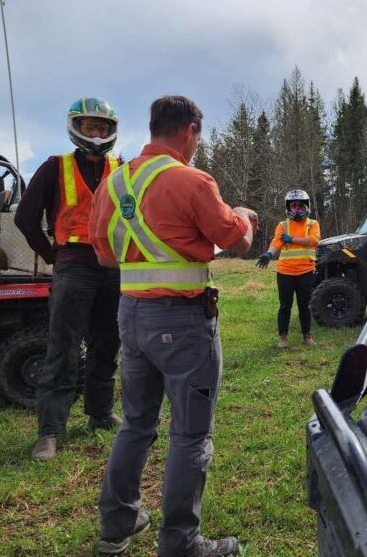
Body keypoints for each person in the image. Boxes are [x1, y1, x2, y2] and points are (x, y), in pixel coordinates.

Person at [88, 95, 258, 557]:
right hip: (183, 321)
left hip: (132, 315)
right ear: (189, 131)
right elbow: (237, 240)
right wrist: (245, 217)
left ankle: (117, 524)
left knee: (137, 423)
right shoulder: (191, 180)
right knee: (190, 434)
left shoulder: (114, 183)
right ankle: (181, 543)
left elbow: (103, 254)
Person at [15, 97, 123, 462]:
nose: (96, 133)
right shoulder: (53, 167)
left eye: (102, 127)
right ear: (76, 127)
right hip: (73, 266)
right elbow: (25, 219)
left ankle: (100, 412)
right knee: (63, 347)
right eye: (90, 126)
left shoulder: (120, 167)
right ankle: (49, 432)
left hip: (112, 268)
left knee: (108, 342)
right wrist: (54, 258)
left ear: (111, 131)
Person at [256, 189, 321, 348]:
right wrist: (269, 254)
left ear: (306, 207)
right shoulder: (282, 225)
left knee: (304, 306)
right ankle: (283, 338)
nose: (297, 209)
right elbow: (276, 243)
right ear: (288, 207)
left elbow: (314, 241)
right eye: (294, 206)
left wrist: (292, 239)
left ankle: (307, 336)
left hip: (305, 272)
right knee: (285, 306)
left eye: (300, 206)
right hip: (285, 273)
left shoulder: (313, 224)